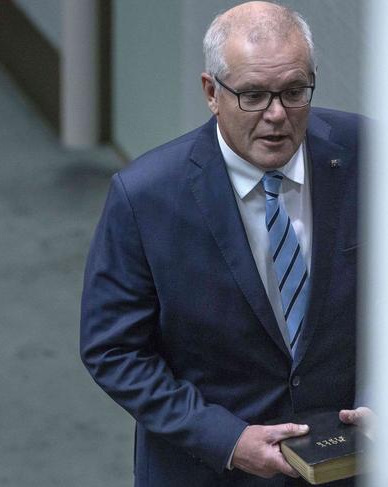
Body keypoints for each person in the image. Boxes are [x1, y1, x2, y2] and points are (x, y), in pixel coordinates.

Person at [80, 2, 370, 485]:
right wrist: (227, 440)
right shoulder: (146, 197)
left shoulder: (366, 151)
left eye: (294, 92)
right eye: (254, 95)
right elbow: (113, 350)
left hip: (350, 465)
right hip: (210, 470)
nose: (277, 115)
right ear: (211, 92)